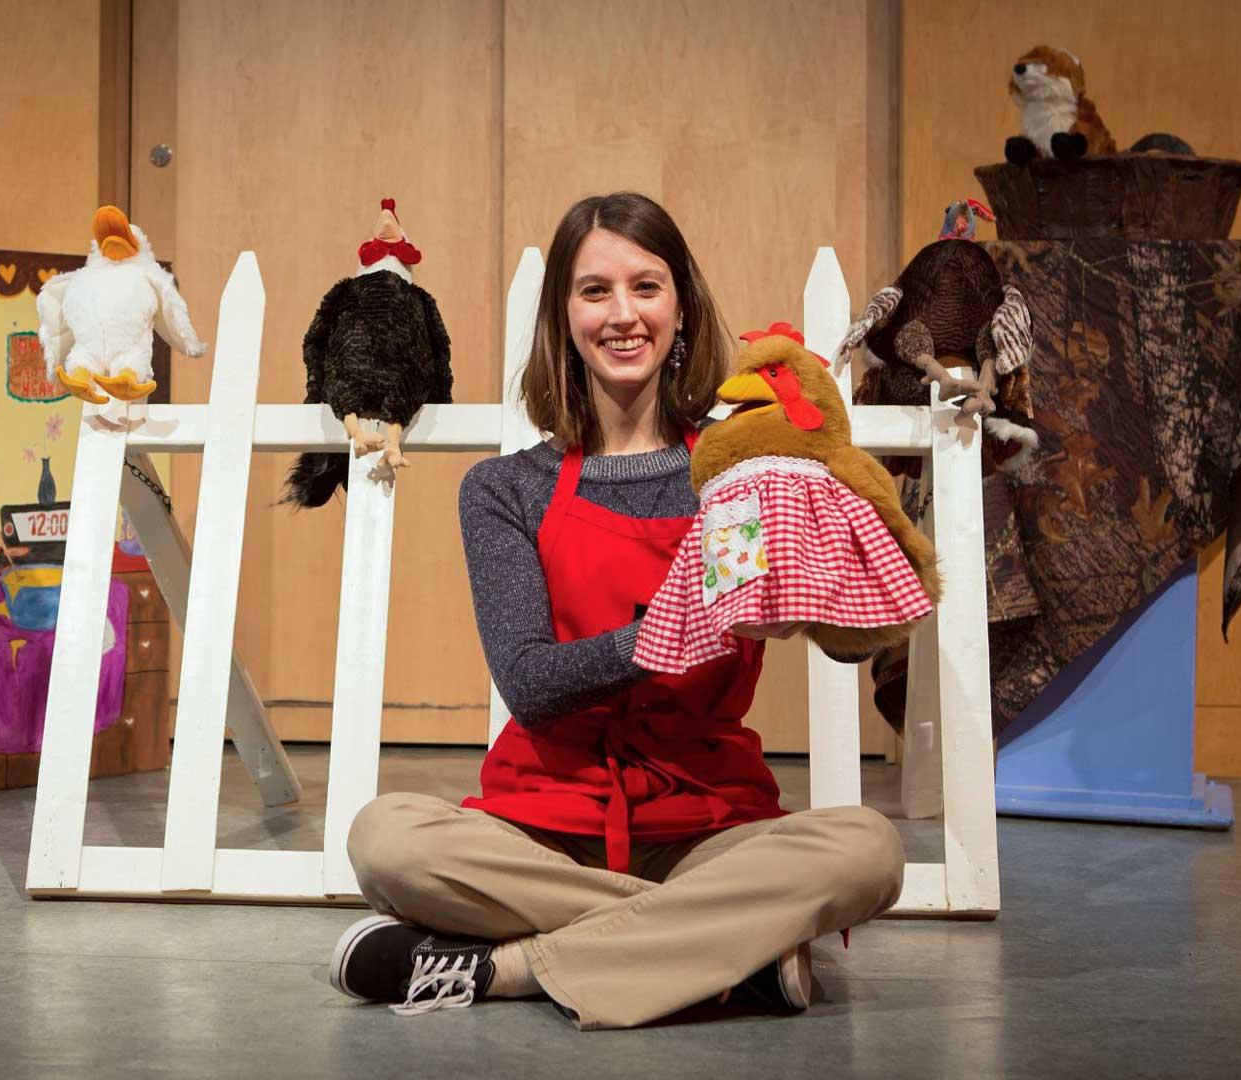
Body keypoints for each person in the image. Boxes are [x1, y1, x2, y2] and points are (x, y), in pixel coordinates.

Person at [328, 192, 905, 1030]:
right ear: (563, 315)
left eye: (646, 286)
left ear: (681, 307)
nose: (623, 314)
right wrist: (683, 627)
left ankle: (507, 969)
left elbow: (850, 648)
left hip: (709, 820)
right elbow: (530, 683)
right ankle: (724, 950)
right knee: (388, 837)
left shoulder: (737, 473)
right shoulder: (507, 488)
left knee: (868, 850)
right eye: (595, 291)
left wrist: (848, 568)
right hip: (542, 823)